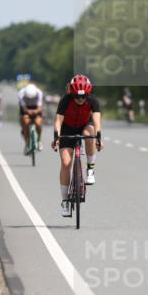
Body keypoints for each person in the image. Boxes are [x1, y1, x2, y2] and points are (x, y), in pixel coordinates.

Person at [52, 74, 103, 217]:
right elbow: (58, 121)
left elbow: (97, 121)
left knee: (90, 133)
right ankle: (65, 202)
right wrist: (56, 137)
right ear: (71, 93)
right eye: (76, 97)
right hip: (67, 128)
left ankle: (90, 169)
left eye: (83, 97)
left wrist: (99, 138)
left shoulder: (93, 101)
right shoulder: (65, 101)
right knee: (66, 163)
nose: (80, 100)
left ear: (88, 94)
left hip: (85, 125)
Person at [17, 78, 44, 152]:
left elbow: (39, 107)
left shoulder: (39, 93)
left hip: (36, 107)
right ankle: (27, 143)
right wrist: (28, 112)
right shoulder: (21, 93)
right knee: (25, 123)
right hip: (25, 108)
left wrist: (36, 111)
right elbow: (23, 107)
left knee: (38, 124)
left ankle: (38, 141)